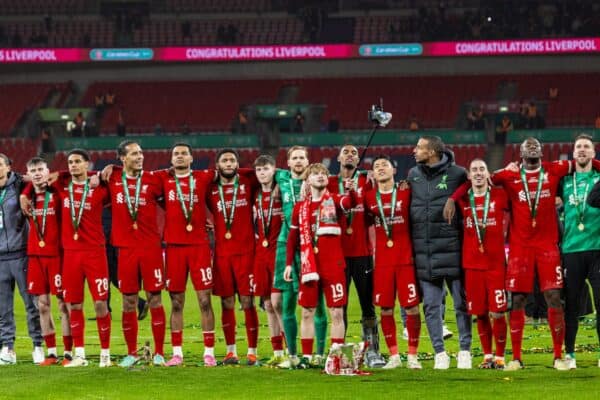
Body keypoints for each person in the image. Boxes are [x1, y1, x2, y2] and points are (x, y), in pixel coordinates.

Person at [483, 138, 573, 371]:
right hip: (520, 248)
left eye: (536, 147)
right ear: (520, 154)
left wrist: (592, 159)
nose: (532, 149)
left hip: (547, 247)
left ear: (542, 152)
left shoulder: (554, 169)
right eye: (527, 147)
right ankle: (516, 358)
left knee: (553, 296)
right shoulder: (509, 176)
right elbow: (486, 180)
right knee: (518, 299)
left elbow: (584, 163)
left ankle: (557, 357)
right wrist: (505, 169)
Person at [27, 149, 112, 367]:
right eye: (70, 162)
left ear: (87, 164)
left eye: (77, 162)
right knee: (74, 305)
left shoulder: (100, 188)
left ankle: (105, 355)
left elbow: (120, 177)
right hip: (71, 255)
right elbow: (36, 181)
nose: (73, 165)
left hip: (95, 252)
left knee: (101, 304)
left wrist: (101, 172)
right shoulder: (61, 187)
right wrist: (22, 194)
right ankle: (80, 355)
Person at [408, 136, 472, 369]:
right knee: (431, 307)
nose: (414, 151)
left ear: (433, 151)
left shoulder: (457, 174)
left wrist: (454, 198)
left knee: (461, 305)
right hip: (425, 253)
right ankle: (439, 353)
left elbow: (475, 182)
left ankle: (465, 350)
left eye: (419, 147)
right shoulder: (413, 175)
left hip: (453, 250)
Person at [284, 163, 357, 362]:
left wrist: (352, 192)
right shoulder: (300, 208)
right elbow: (292, 238)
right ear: (307, 180)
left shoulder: (335, 199)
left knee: (336, 311)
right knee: (307, 311)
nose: (320, 176)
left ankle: (337, 357)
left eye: (324, 173)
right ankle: (307, 357)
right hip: (309, 265)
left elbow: (350, 203)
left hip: (333, 265)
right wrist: (289, 264)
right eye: (315, 174)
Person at [103, 141, 166, 368]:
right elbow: (78, 173)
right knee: (129, 301)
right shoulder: (111, 178)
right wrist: (107, 168)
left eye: (141, 152)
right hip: (125, 249)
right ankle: (131, 352)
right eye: (134, 154)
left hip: (150, 248)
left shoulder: (154, 179)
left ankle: (159, 353)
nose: (140, 157)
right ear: (122, 158)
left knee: (155, 298)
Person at [155, 143, 218, 367]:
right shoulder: (163, 179)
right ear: (171, 159)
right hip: (173, 248)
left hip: (199, 247)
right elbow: (135, 176)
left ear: (191, 157)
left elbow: (234, 171)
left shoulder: (204, 177)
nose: (180, 157)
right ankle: (177, 353)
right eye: (175, 154)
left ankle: (209, 352)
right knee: (177, 302)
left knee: (204, 300)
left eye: (183, 153)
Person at [327, 145, 385, 368]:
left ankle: (373, 352)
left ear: (359, 159)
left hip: (362, 254)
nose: (350, 155)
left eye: (354, 153)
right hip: (338, 256)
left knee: (367, 305)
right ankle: (339, 353)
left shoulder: (367, 181)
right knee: (338, 307)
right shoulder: (330, 182)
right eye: (346, 152)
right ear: (338, 157)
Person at [363, 155, 422, 369]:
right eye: (376, 166)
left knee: (412, 308)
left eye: (384, 165)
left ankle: (413, 356)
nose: (380, 168)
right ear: (372, 173)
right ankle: (395, 356)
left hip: (406, 259)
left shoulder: (406, 192)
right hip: (383, 263)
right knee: (385, 309)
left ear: (394, 170)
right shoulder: (369, 197)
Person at [273, 147, 328, 369]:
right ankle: (293, 354)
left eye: (302, 157)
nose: (298, 161)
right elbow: (259, 171)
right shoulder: (282, 178)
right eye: (294, 158)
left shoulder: (318, 182)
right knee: (285, 302)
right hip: (286, 244)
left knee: (318, 304)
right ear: (287, 163)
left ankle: (319, 354)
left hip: (312, 246)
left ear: (308, 161)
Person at [206, 149, 259, 365]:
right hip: (222, 254)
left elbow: (269, 171)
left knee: (247, 301)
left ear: (238, 164)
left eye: (233, 160)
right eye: (224, 160)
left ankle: (252, 351)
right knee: (227, 302)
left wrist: (241, 171)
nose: (229, 163)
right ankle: (231, 351)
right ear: (217, 165)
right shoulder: (210, 187)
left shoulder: (248, 182)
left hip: (247, 252)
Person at [455, 159, 508, 369]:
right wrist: (465, 186)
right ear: (468, 176)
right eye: (474, 170)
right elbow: (455, 195)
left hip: (495, 265)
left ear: (488, 174)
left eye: (482, 170)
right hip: (472, 265)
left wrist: (497, 175)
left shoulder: (500, 196)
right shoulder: (464, 200)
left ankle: (501, 357)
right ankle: (487, 355)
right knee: (480, 312)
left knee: (498, 312)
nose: (478, 173)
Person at [24, 157, 72, 366]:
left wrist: (57, 177)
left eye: (40, 169)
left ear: (48, 171)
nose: (37, 173)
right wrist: (25, 193)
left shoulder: (58, 193)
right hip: (35, 255)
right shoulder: (28, 197)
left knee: (63, 304)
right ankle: (51, 353)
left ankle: (69, 352)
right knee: (42, 305)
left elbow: (72, 176)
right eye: (33, 170)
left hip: (57, 256)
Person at [0, 154, 43, 365]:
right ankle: (7, 347)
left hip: (21, 254)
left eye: (0, 165)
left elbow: (39, 179)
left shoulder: (17, 185)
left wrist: (24, 182)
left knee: (31, 304)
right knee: (3, 307)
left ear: (8, 167)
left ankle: (38, 345)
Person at [563, 134, 600, 368]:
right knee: (572, 306)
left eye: (587, 146)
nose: (583, 150)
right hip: (571, 249)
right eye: (579, 147)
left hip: (597, 249)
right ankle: (569, 355)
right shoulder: (564, 180)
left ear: (594, 154)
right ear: (573, 153)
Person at [253, 155, 285, 365]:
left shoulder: (282, 192)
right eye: (259, 170)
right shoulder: (254, 195)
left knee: (278, 303)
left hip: (278, 252)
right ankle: (277, 353)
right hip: (260, 254)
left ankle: (290, 349)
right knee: (267, 304)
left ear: (274, 170)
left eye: (266, 169)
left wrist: (279, 178)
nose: (262, 173)